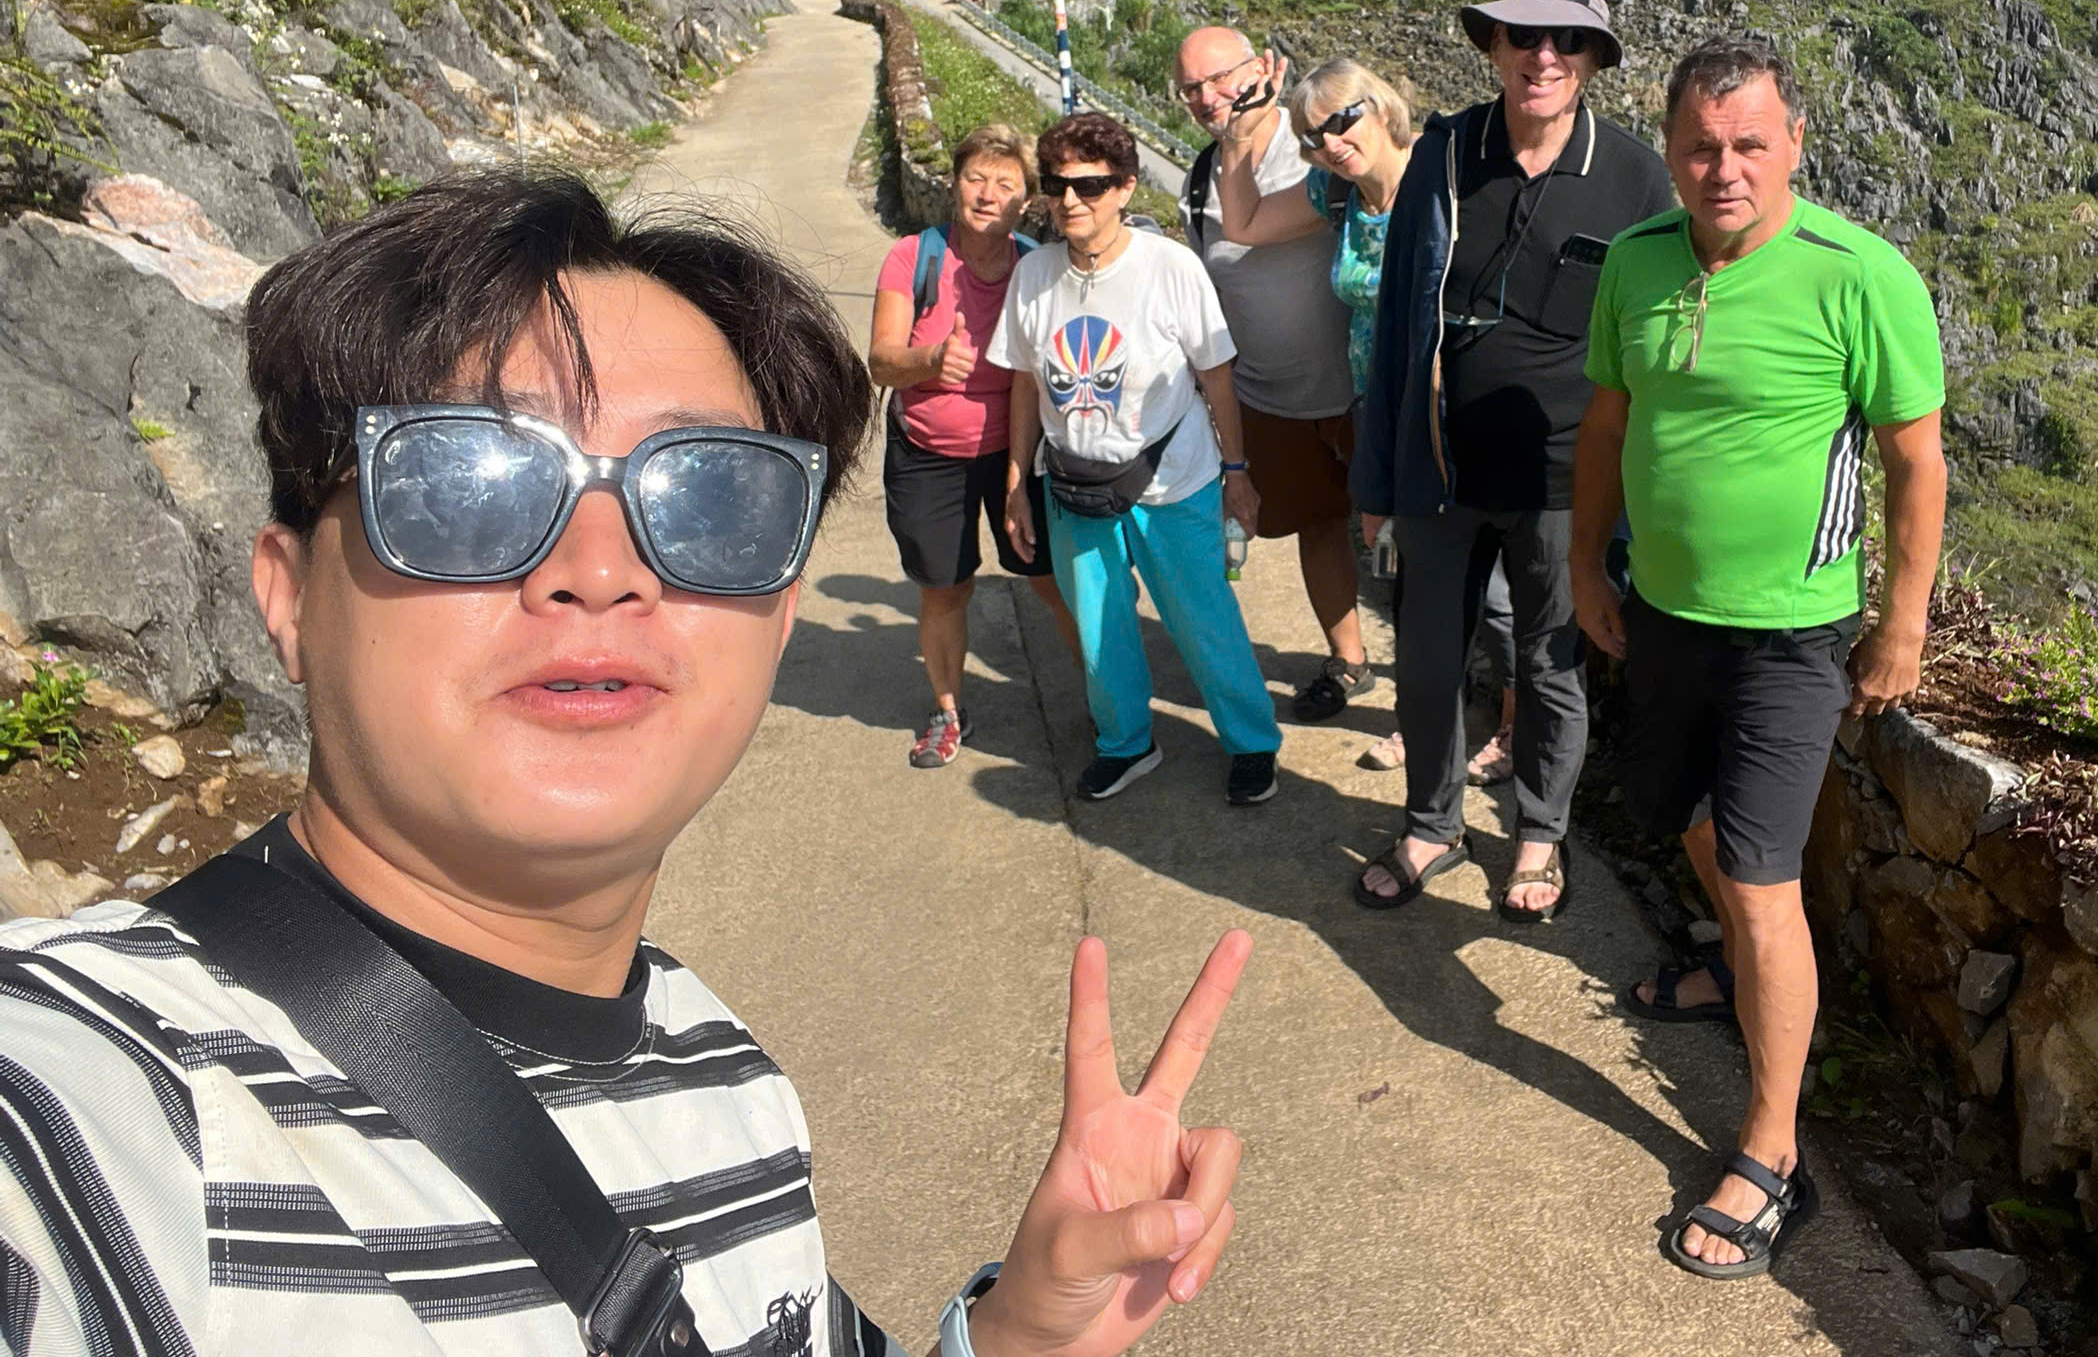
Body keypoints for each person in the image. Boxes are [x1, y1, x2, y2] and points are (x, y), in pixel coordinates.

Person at [0, 170, 1252, 1355]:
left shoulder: (724, 1075)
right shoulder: (82, 1111)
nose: (599, 570)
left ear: (781, 616)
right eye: (469, 480)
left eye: (710, 499)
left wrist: (1016, 1332)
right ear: (287, 598)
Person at [1574, 39, 1946, 1283]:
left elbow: (1914, 460)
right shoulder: (1636, 261)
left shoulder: (1858, 275)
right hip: (1662, 611)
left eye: (1748, 144)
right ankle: (1731, 972)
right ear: (1670, 151)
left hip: (1790, 630)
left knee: (1758, 872)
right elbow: (1607, 425)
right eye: (1699, 146)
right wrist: (1585, 570)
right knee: (1681, 816)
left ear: (1793, 146)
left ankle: (1773, 1153)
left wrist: (1901, 623)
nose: (1722, 168)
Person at [1349, 0, 1675, 918]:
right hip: (1442, 467)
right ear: (1492, 45)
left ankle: (1539, 834)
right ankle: (1431, 825)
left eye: (1567, 39)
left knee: (1549, 663)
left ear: (1595, 57)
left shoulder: (1634, 178)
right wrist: (1377, 481)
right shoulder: (1444, 156)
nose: (1544, 56)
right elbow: (1397, 326)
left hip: (1564, 478)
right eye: (1523, 35)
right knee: (1427, 662)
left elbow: (1658, 341)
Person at [994, 114, 1286, 806]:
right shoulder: (1033, 274)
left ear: (1125, 187)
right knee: (1100, 631)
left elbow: (1217, 376)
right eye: (1057, 185)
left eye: (1090, 185)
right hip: (1075, 484)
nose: (1070, 200)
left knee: (1204, 622)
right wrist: (1015, 480)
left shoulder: (1170, 267)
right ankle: (1125, 743)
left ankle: (1252, 743)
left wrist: (1237, 475)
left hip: (1174, 482)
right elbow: (1025, 383)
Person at [1173, 28, 1371, 723]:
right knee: (1320, 526)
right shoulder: (1199, 177)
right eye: (1191, 88)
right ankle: (1349, 660)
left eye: (1219, 79)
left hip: (1361, 394)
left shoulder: (1318, 146)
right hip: (1270, 399)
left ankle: (1435, 689)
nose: (1207, 98)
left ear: (1263, 67)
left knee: (1407, 541)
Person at [869, 122, 1077, 767]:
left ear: (1027, 200)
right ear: (956, 184)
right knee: (946, 589)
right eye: (975, 178)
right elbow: (881, 361)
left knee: (1054, 580)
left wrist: (1021, 476)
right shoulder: (914, 256)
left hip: (1022, 451)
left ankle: (1113, 699)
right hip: (928, 454)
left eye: (1005, 184)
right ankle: (948, 712)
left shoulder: (1037, 267)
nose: (987, 194)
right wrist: (931, 359)